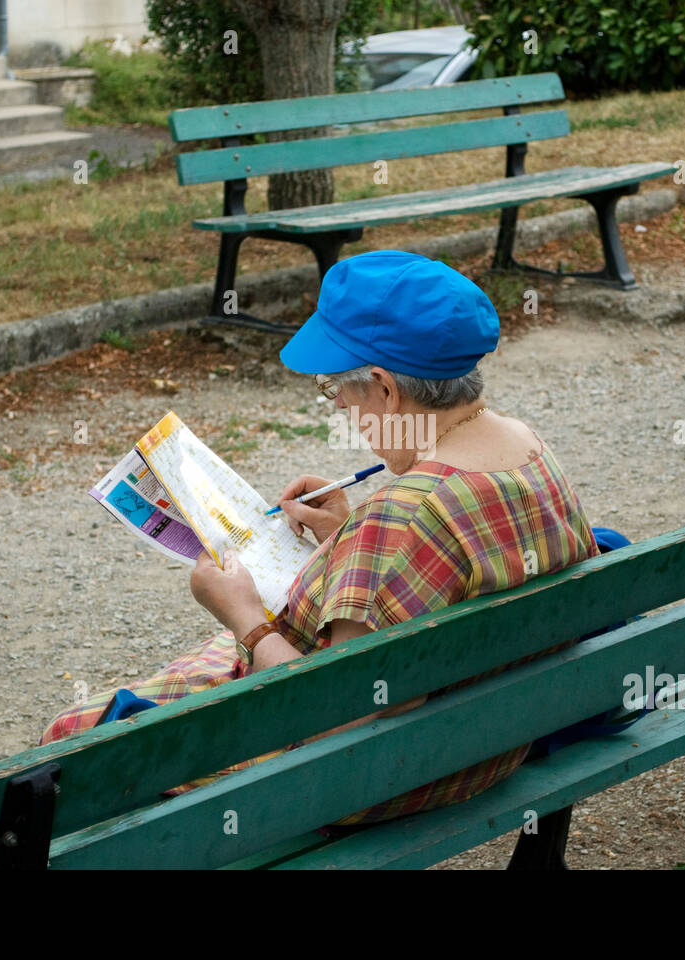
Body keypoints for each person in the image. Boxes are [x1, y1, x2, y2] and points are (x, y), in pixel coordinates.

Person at [39, 249, 599, 827]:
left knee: (70, 743)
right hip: (486, 743)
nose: (341, 408)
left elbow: (336, 715)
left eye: (337, 390)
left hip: (366, 778)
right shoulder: (527, 447)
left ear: (384, 387)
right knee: (196, 670)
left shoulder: (405, 516)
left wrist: (246, 619)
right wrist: (349, 537)